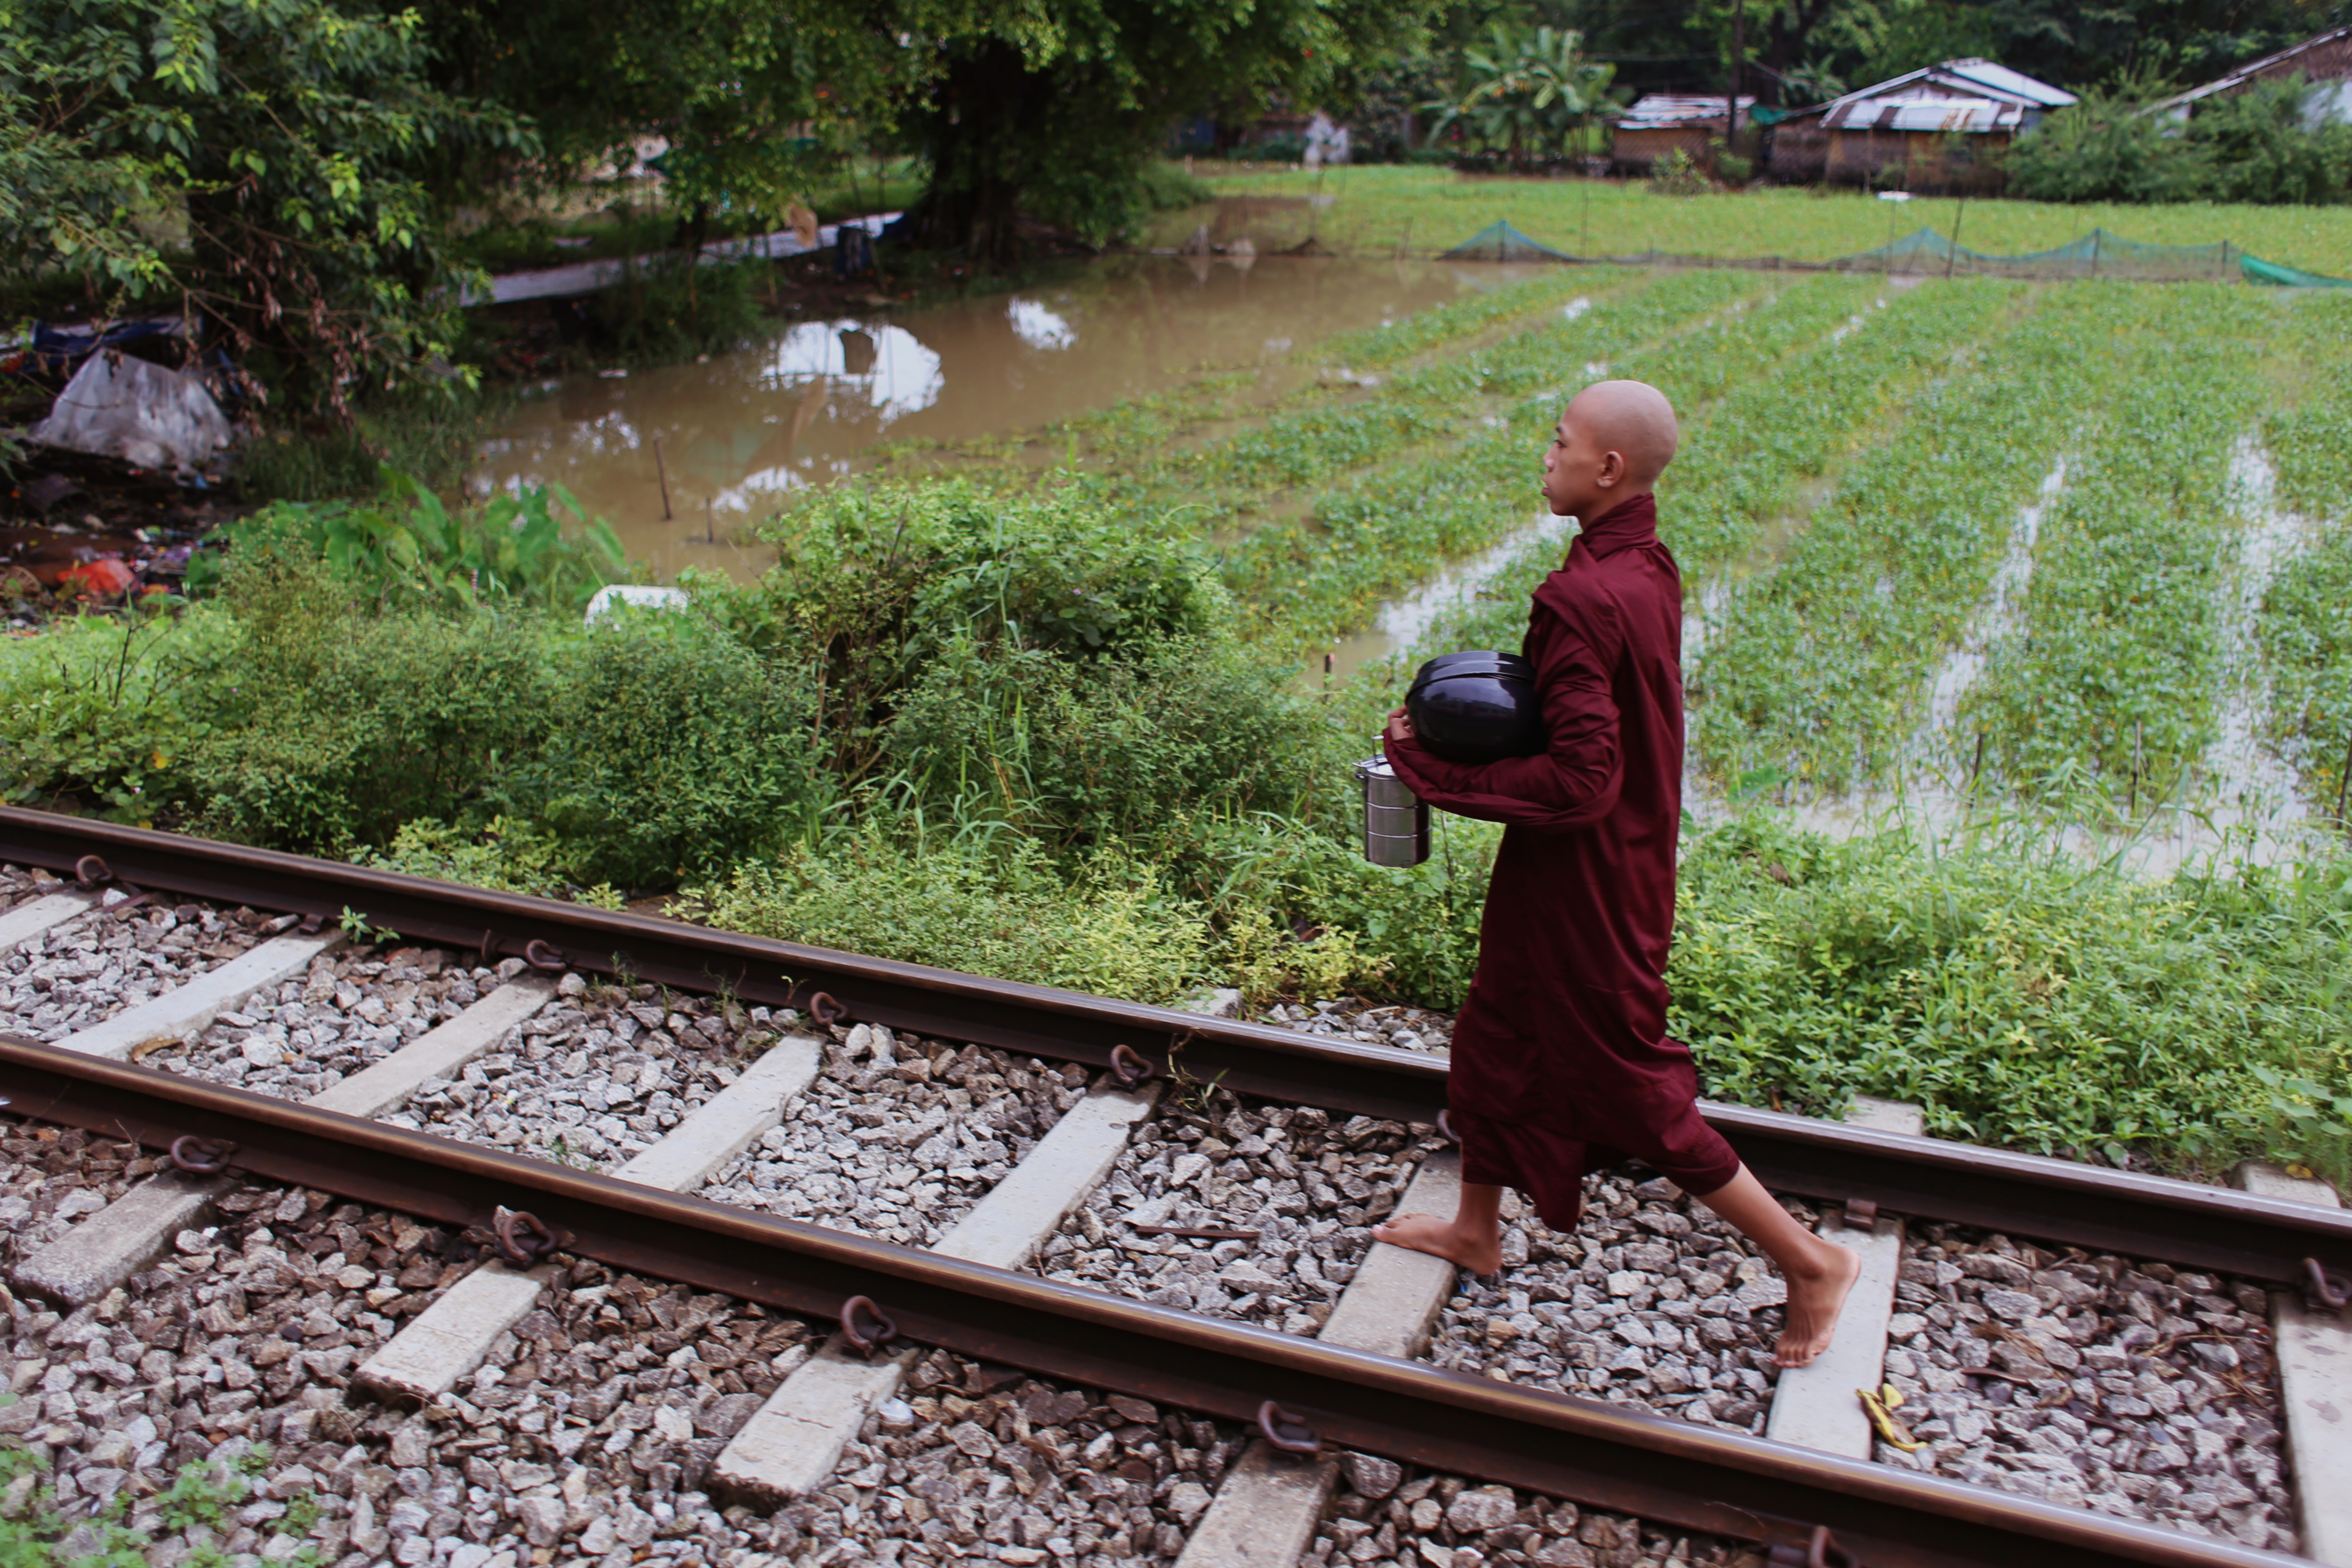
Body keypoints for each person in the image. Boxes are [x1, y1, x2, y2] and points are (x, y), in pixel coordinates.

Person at [1372, 379, 1860, 1368]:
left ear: (1607, 468)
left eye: (1558, 444)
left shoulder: (1582, 594)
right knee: (1497, 1026)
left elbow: (1580, 778)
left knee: (1632, 1086)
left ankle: (1808, 1260)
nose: (1542, 458)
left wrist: (1429, 766)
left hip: (1587, 880)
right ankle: (1475, 1225)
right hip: (1596, 861)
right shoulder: (1640, 562)